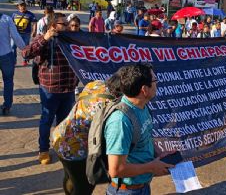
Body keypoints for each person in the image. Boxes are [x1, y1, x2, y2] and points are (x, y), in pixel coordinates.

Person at [104, 64, 174, 195]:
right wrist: (151, 167)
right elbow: (116, 169)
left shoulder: (142, 106)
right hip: (126, 192)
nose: (157, 84)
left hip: (142, 187)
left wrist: (159, 152)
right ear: (144, 89)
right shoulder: (120, 121)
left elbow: (144, 135)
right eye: (154, 81)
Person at [22, 13, 79, 165]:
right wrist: (45, 38)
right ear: (54, 26)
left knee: (64, 123)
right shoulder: (44, 40)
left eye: (68, 24)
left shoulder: (71, 40)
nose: (67, 27)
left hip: (68, 89)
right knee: (46, 120)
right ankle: (44, 150)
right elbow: (26, 53)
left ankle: (61, 147)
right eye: (64, 24)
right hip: (50, 89)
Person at [53, 76, 122, 195]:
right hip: (75, 149)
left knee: (70, 177)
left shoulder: (96, 84)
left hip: (60, 137)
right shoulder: (111, 106)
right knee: (84, 187)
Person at [0, 12, 27, 115]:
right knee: (8, 81)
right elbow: (15, 36)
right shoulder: (6, 19)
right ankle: (7, 106)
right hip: (6, 55)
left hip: (6, 55)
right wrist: (25, 49)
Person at [12, 0, 37, 66]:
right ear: (18, 6)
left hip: (26, 34)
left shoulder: (30, 14)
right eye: (21, 6)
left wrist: (34, 31)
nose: (23, 7)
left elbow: (34, 23)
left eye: (24, 5)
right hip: (15, 34)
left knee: (25, 47)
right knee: (13, 47)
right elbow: (11, 23)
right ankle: (13, 60)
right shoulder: (14, 14)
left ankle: (25, 60)